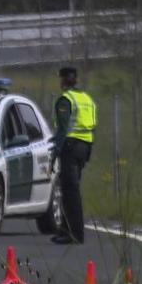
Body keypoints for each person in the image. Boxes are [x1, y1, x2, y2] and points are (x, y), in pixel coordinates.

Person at [49, 66, 96, 245]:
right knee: (70, 189)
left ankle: (74, 233)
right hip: (84, 148)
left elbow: (62, 129)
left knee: (70, 192)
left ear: (63, 80)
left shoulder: (65, 100)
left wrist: (55, 154)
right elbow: (91, 127)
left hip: (70, 148)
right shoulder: (86, 99)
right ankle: (65, 230)